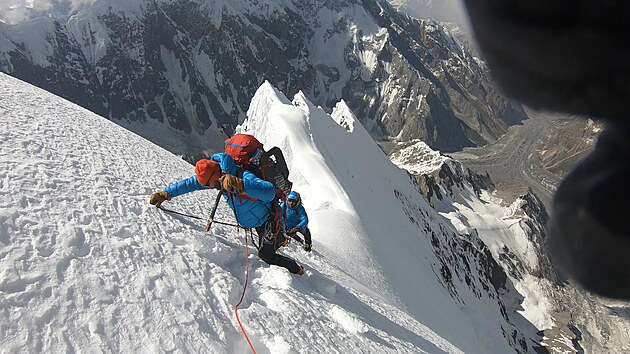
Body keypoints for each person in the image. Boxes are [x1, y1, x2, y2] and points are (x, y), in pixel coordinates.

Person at [149, 153, 304, 275]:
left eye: (210, 185)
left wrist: (240, 185)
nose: (212, 188)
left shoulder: (241, 175)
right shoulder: (215, 175)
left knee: (267, 255)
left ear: (215, 177)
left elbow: (269, 192)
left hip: (267, 220)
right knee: (269, 246)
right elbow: (190, 184)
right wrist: (165, 193)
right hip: (255, 220)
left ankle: (296, 269)